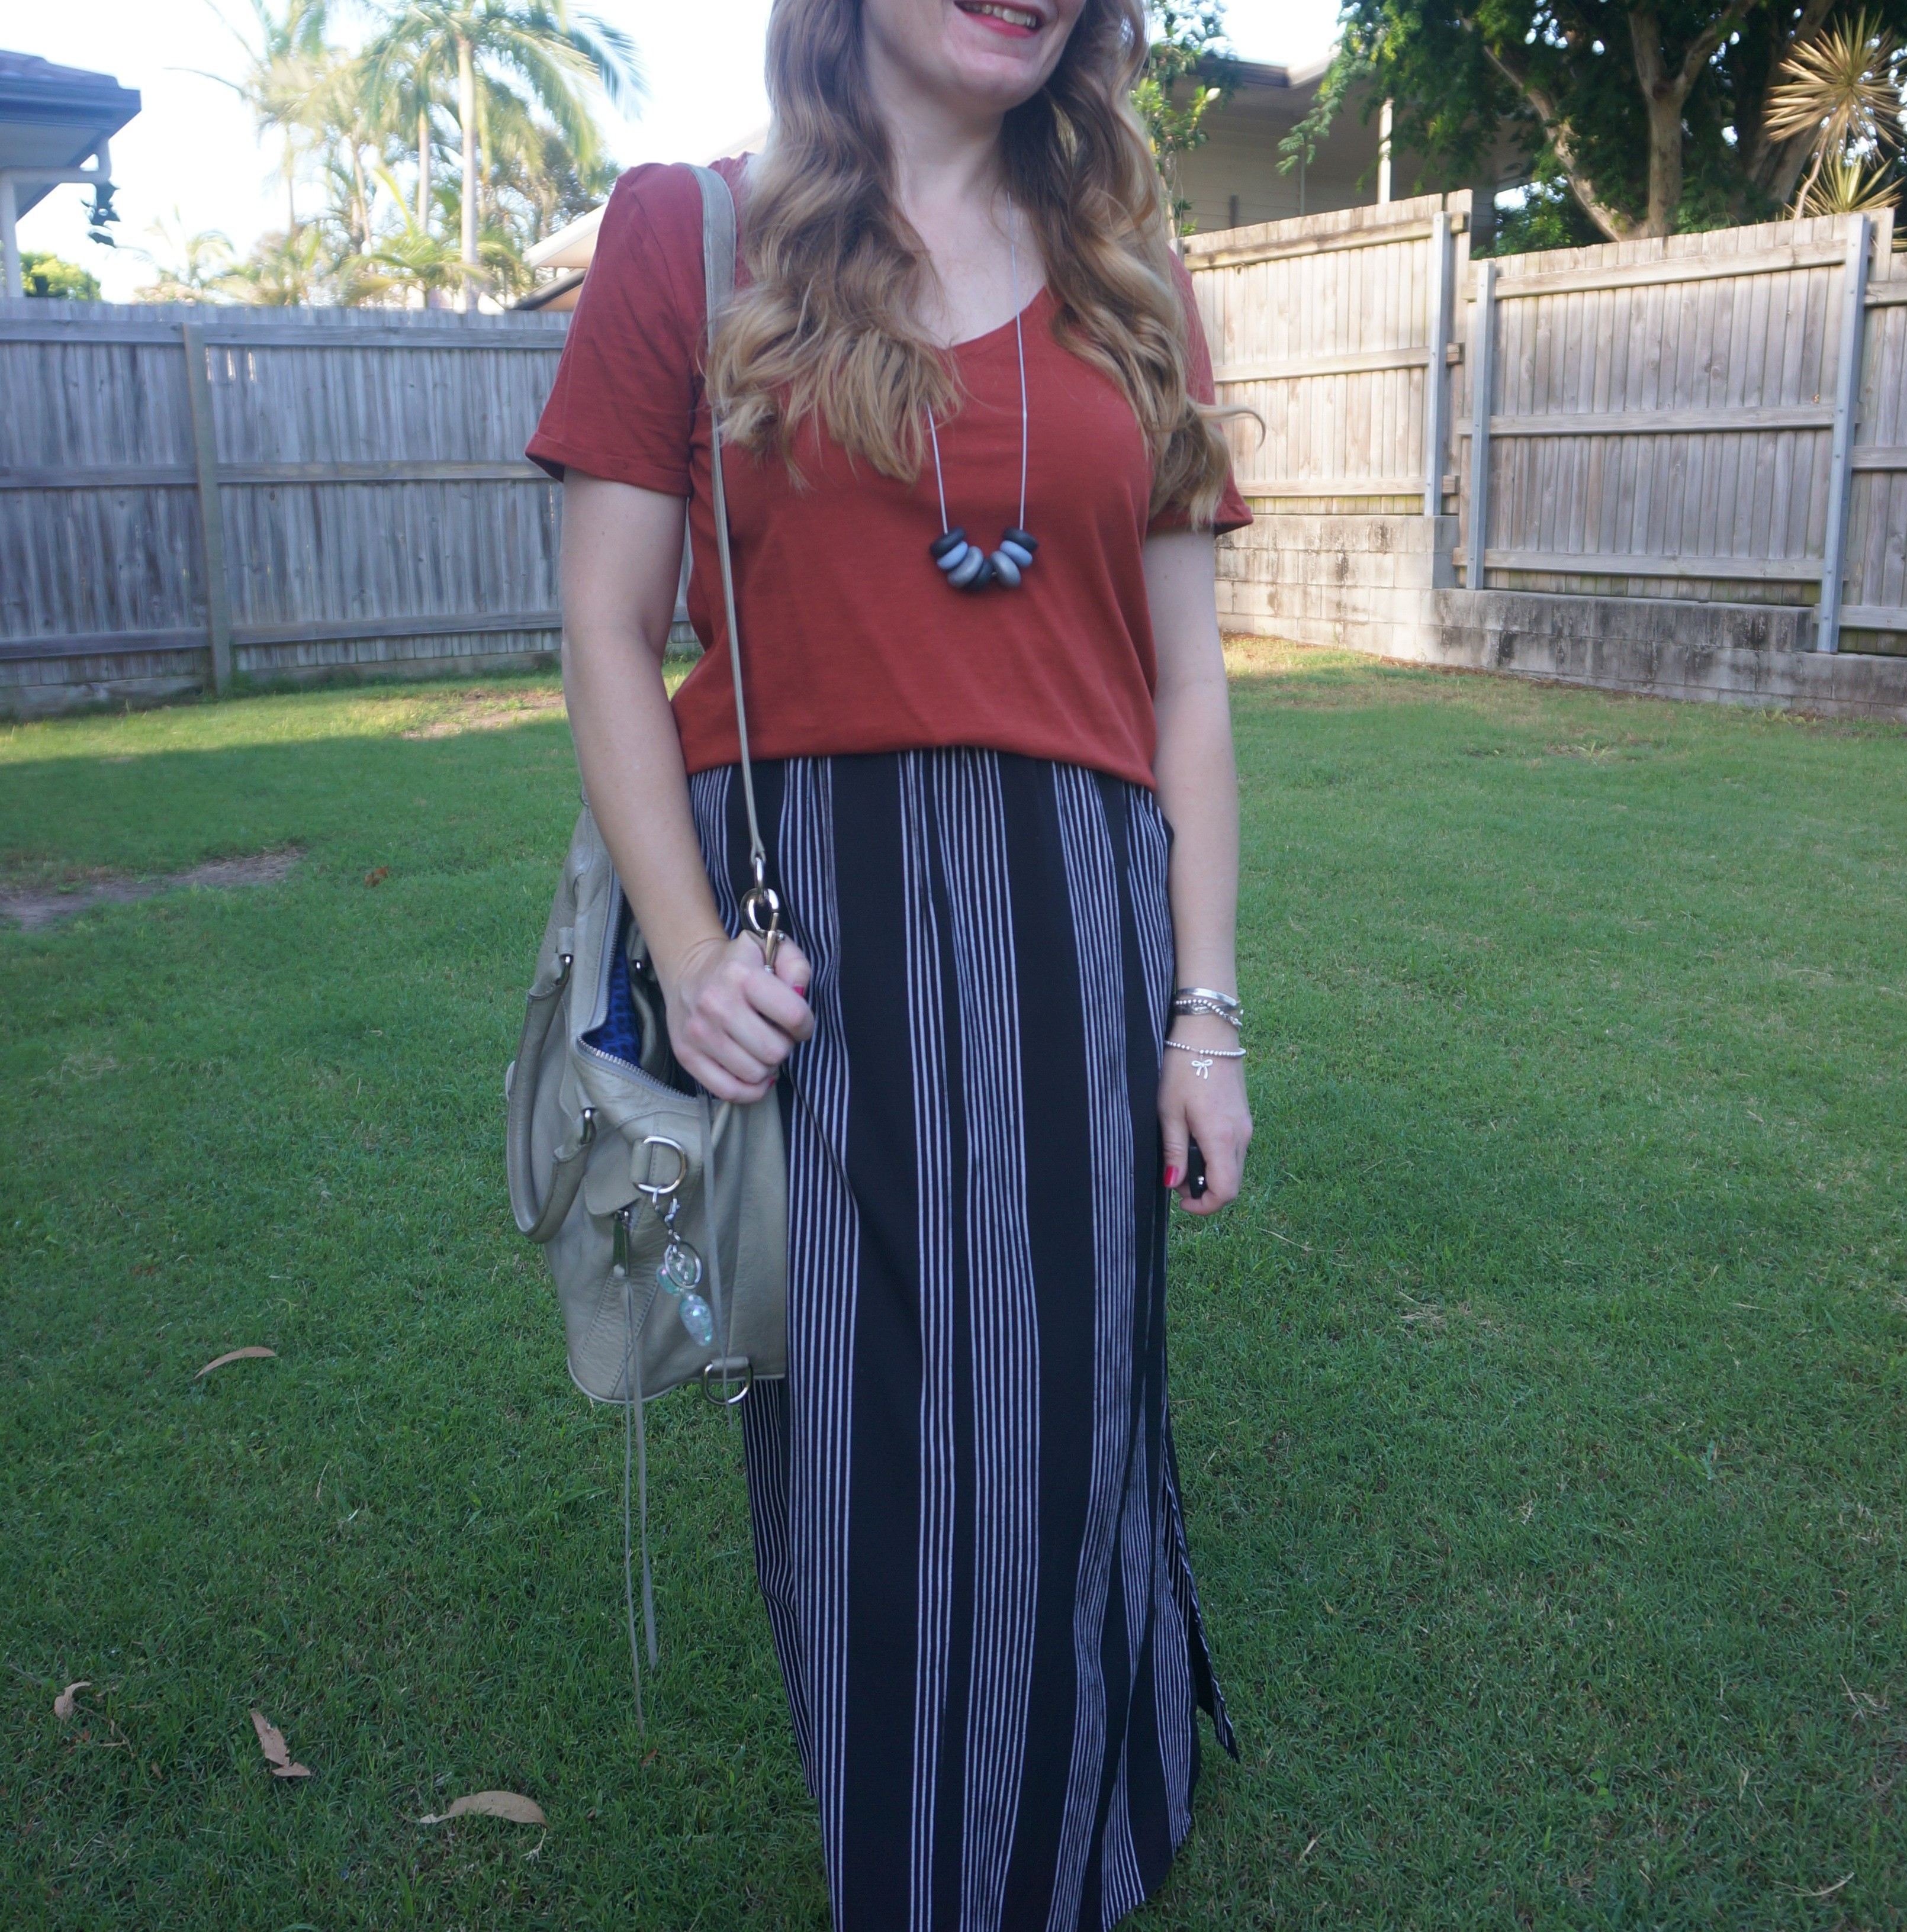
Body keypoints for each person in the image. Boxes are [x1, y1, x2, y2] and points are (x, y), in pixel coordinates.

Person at [526, 0, 1252, 1921]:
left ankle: (1094, 1801)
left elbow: (1187, 681)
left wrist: (1206, 1010)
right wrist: (686, 956)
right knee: (861, 1465)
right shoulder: (687, 240)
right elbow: (606, 630)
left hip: (1080, 945)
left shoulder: (1136, 278)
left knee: (1072, 1423)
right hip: (814, 956)